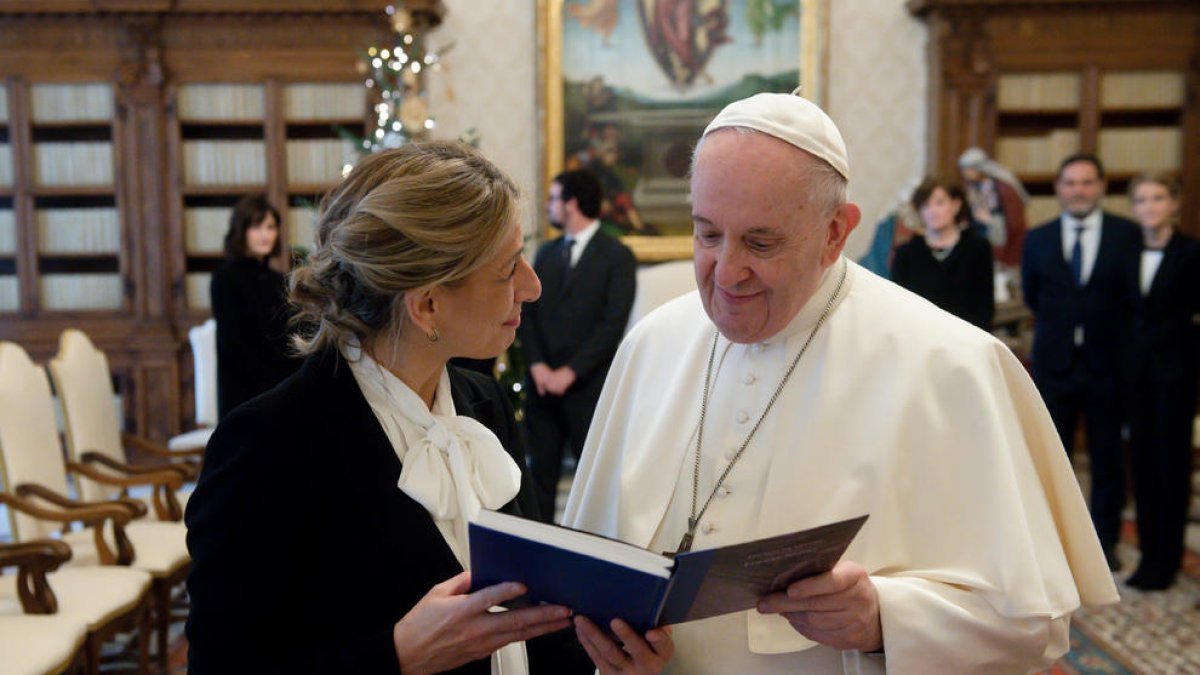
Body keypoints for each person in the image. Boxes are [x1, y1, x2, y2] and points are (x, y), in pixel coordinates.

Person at [562, 90, 1118, 674]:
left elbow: (1034, 627)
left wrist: (884, 619)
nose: (726, 272)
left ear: (835, 232)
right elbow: (587, 567)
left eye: (760, 242)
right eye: (706, 234)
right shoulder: (653, 343)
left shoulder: (951, 364)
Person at [186, 142, 592, 674]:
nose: (531, 288)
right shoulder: (267, 444)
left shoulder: (483, 404)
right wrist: (396, 656)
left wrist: (606, 656)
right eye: (508, 269)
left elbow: (530, 623)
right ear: (427, 304)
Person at [1021, 153, 1141, 570]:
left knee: (1108, 462)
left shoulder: (1127, 236)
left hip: (1107, 367)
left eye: (1087, 183)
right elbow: (1033, 296)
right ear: (1058, 189)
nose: (1078, 191)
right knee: (1054, 464)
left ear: (1102, 187)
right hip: (1055, 367)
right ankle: (1054, 549)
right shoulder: (1038, 238)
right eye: (1070, 183)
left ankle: (1103, 547)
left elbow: (1131, 299)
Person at [519, 169, 636, 522]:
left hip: (588, 389)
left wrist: (569, 373)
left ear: (570, 204)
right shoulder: (546, 253)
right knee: (538, 481)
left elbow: (612, 325)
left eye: (554, 198)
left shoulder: (616, 256)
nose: (549, 206)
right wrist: (538, 366)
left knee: (593, 485)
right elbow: (528, 314)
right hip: (541, 389)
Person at [1122, 173, 1200, 591]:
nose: (1149, 206)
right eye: (1141, 200)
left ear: (1174, 203)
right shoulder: (1127, 250)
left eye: (1158, 198)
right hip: (1136, 376)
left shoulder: (1191, 252)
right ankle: (1150, 556)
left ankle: (1167, 560)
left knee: (1172, 468)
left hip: (1175, 376)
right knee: (1145, 466)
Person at [210, 194, 299, 419]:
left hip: (281, 387)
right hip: (245, 393)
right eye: (256, 227)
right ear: (241, 231)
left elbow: (287, 336)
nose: (265, 235)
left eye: (270, 227)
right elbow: (234, 345)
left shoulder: (279, 280)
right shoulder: (225, 278)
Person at [891, 176, 995, 330]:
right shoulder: (906, 253)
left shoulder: (977, 248)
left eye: (939, 203)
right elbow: (899, 309)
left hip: (967, 340)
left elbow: (985, 307)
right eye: (926, 205)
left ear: (956, 205)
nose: (933, 211)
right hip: (920, 338)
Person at [957, 147, 1029, 268]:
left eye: (968, 168)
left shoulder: (1003, 189)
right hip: (977, 237)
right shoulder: (971, 187)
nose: (965, 172)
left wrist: (990, 221)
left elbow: (1014, 222)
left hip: (998, 239)